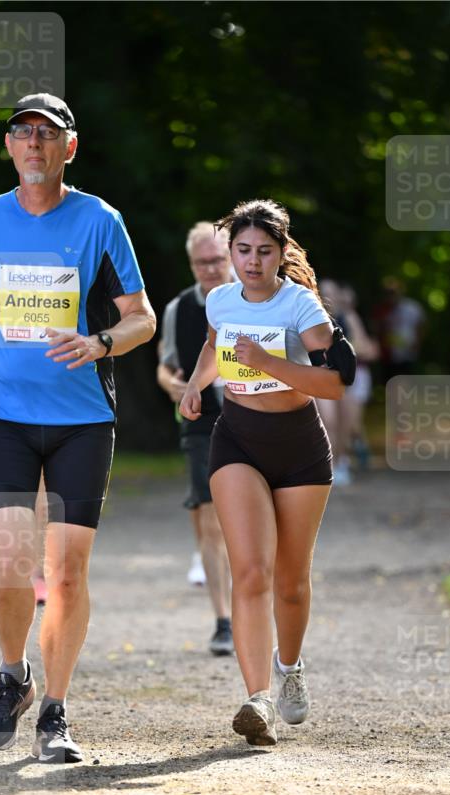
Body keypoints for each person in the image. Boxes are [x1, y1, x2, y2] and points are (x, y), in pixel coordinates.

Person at [0, 93, 156, 763]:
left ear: (70, 147)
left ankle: (57, 714)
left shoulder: (100, 219)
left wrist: (99, 343)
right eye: (22, 133)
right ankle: (15, 675)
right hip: (3, 412)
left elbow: (141, 317)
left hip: (82, 419)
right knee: (8, 560)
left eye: (47, 134)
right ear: (9, 146)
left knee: (65, 575)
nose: (34, 144)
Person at [179, 199, 354, 748]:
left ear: (281, 254)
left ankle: (290, 666)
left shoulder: (300, 304)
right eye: (242, 251)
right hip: (237, 441)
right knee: (250, 571)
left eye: (263, 252)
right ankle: (258, 700)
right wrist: (193, 383)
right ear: (230, 253)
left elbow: (337, 382)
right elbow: (214, 346)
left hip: (299, 449)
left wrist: (268, 363)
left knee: (292, 582)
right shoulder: (221, 298)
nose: (252, 262)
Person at [157, 222, 234, 654]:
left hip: (253, 417)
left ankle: (253, 610)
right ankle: (222, 620)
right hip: (201, 421)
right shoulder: (179, 309)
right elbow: (165, 364)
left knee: (244, 521)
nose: (209, 269)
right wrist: (172, 385)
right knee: (207, 518)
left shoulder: (255, 299)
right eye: (201, 262)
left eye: (217, 260)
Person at [317, 280, 378, 484]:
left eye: (332, 293)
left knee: (346, 424)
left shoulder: (347, 317)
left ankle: (341, 461)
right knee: (328, 421)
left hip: (346, 378)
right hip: (322, 378)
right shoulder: (311, 316)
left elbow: (365, 348)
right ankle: (329, 465)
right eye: (324, 293)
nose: (329, 298)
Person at [372, 277, 425, 383]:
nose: (391, 295)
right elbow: (376, 329)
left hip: (408, 351)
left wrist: (417, 343)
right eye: (388, 292)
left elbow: (421, 326)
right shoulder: (382, 309)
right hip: (388, 353)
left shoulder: (412, 307)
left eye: (393, 292)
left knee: (406, 378)